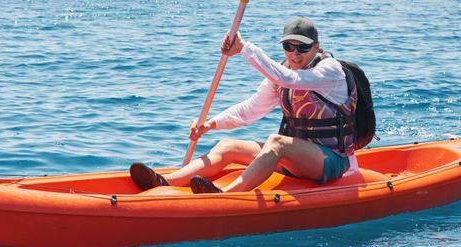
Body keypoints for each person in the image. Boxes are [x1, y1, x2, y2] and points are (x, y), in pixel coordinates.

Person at [130, 17, 359, 193]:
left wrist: (244, 49)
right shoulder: (282, 72)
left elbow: (289, 80)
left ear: (317, 47)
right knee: (228, 145)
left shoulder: (329, 70)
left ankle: (227, 195)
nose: (295, 54)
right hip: (298, 158)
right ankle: (164, 183)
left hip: (332, 161)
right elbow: (250, 109)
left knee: (276, 142)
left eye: (302, 48)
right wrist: (211, 124)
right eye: (289, 47)